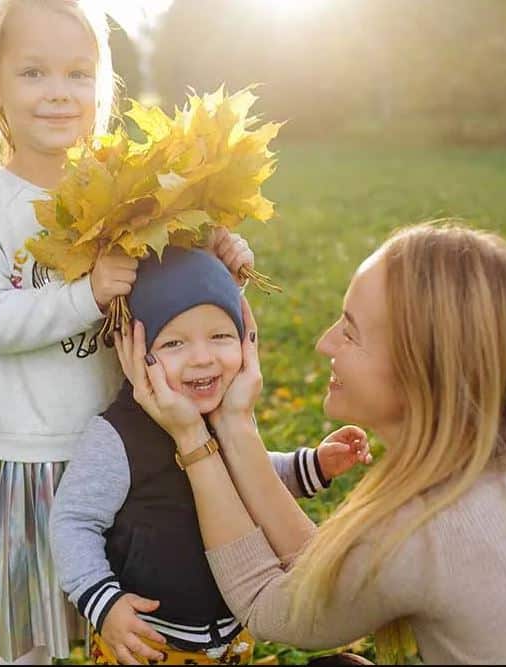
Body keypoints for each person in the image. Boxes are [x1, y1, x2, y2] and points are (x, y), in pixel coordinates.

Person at [120, 222, 506, 664]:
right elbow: (325, 569)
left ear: (421, 369)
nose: (323, 344)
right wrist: (236, 425)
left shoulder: (425, 526)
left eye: (350, 330)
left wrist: (194, 437)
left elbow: (272, 605)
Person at [0, 2, 254, 663]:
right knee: (31, 639)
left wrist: (219, 257)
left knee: (122, 624)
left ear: (101, 87)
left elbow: (176, 294)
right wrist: (87, 292)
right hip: (24, 455)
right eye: (33, 72)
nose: (58, 91)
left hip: (124, 450)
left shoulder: (125, 192)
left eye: (78, 74)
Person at [50, 247, 369, 665]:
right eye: (174, 342)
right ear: (133, 348)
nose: (202, 358)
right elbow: (73, 521)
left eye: (220, 336)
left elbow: (247, 481)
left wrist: (309, 466)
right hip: (150, 642)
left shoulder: (222, 414)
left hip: (230, 635)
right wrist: (103, 601)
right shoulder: (118, 435)